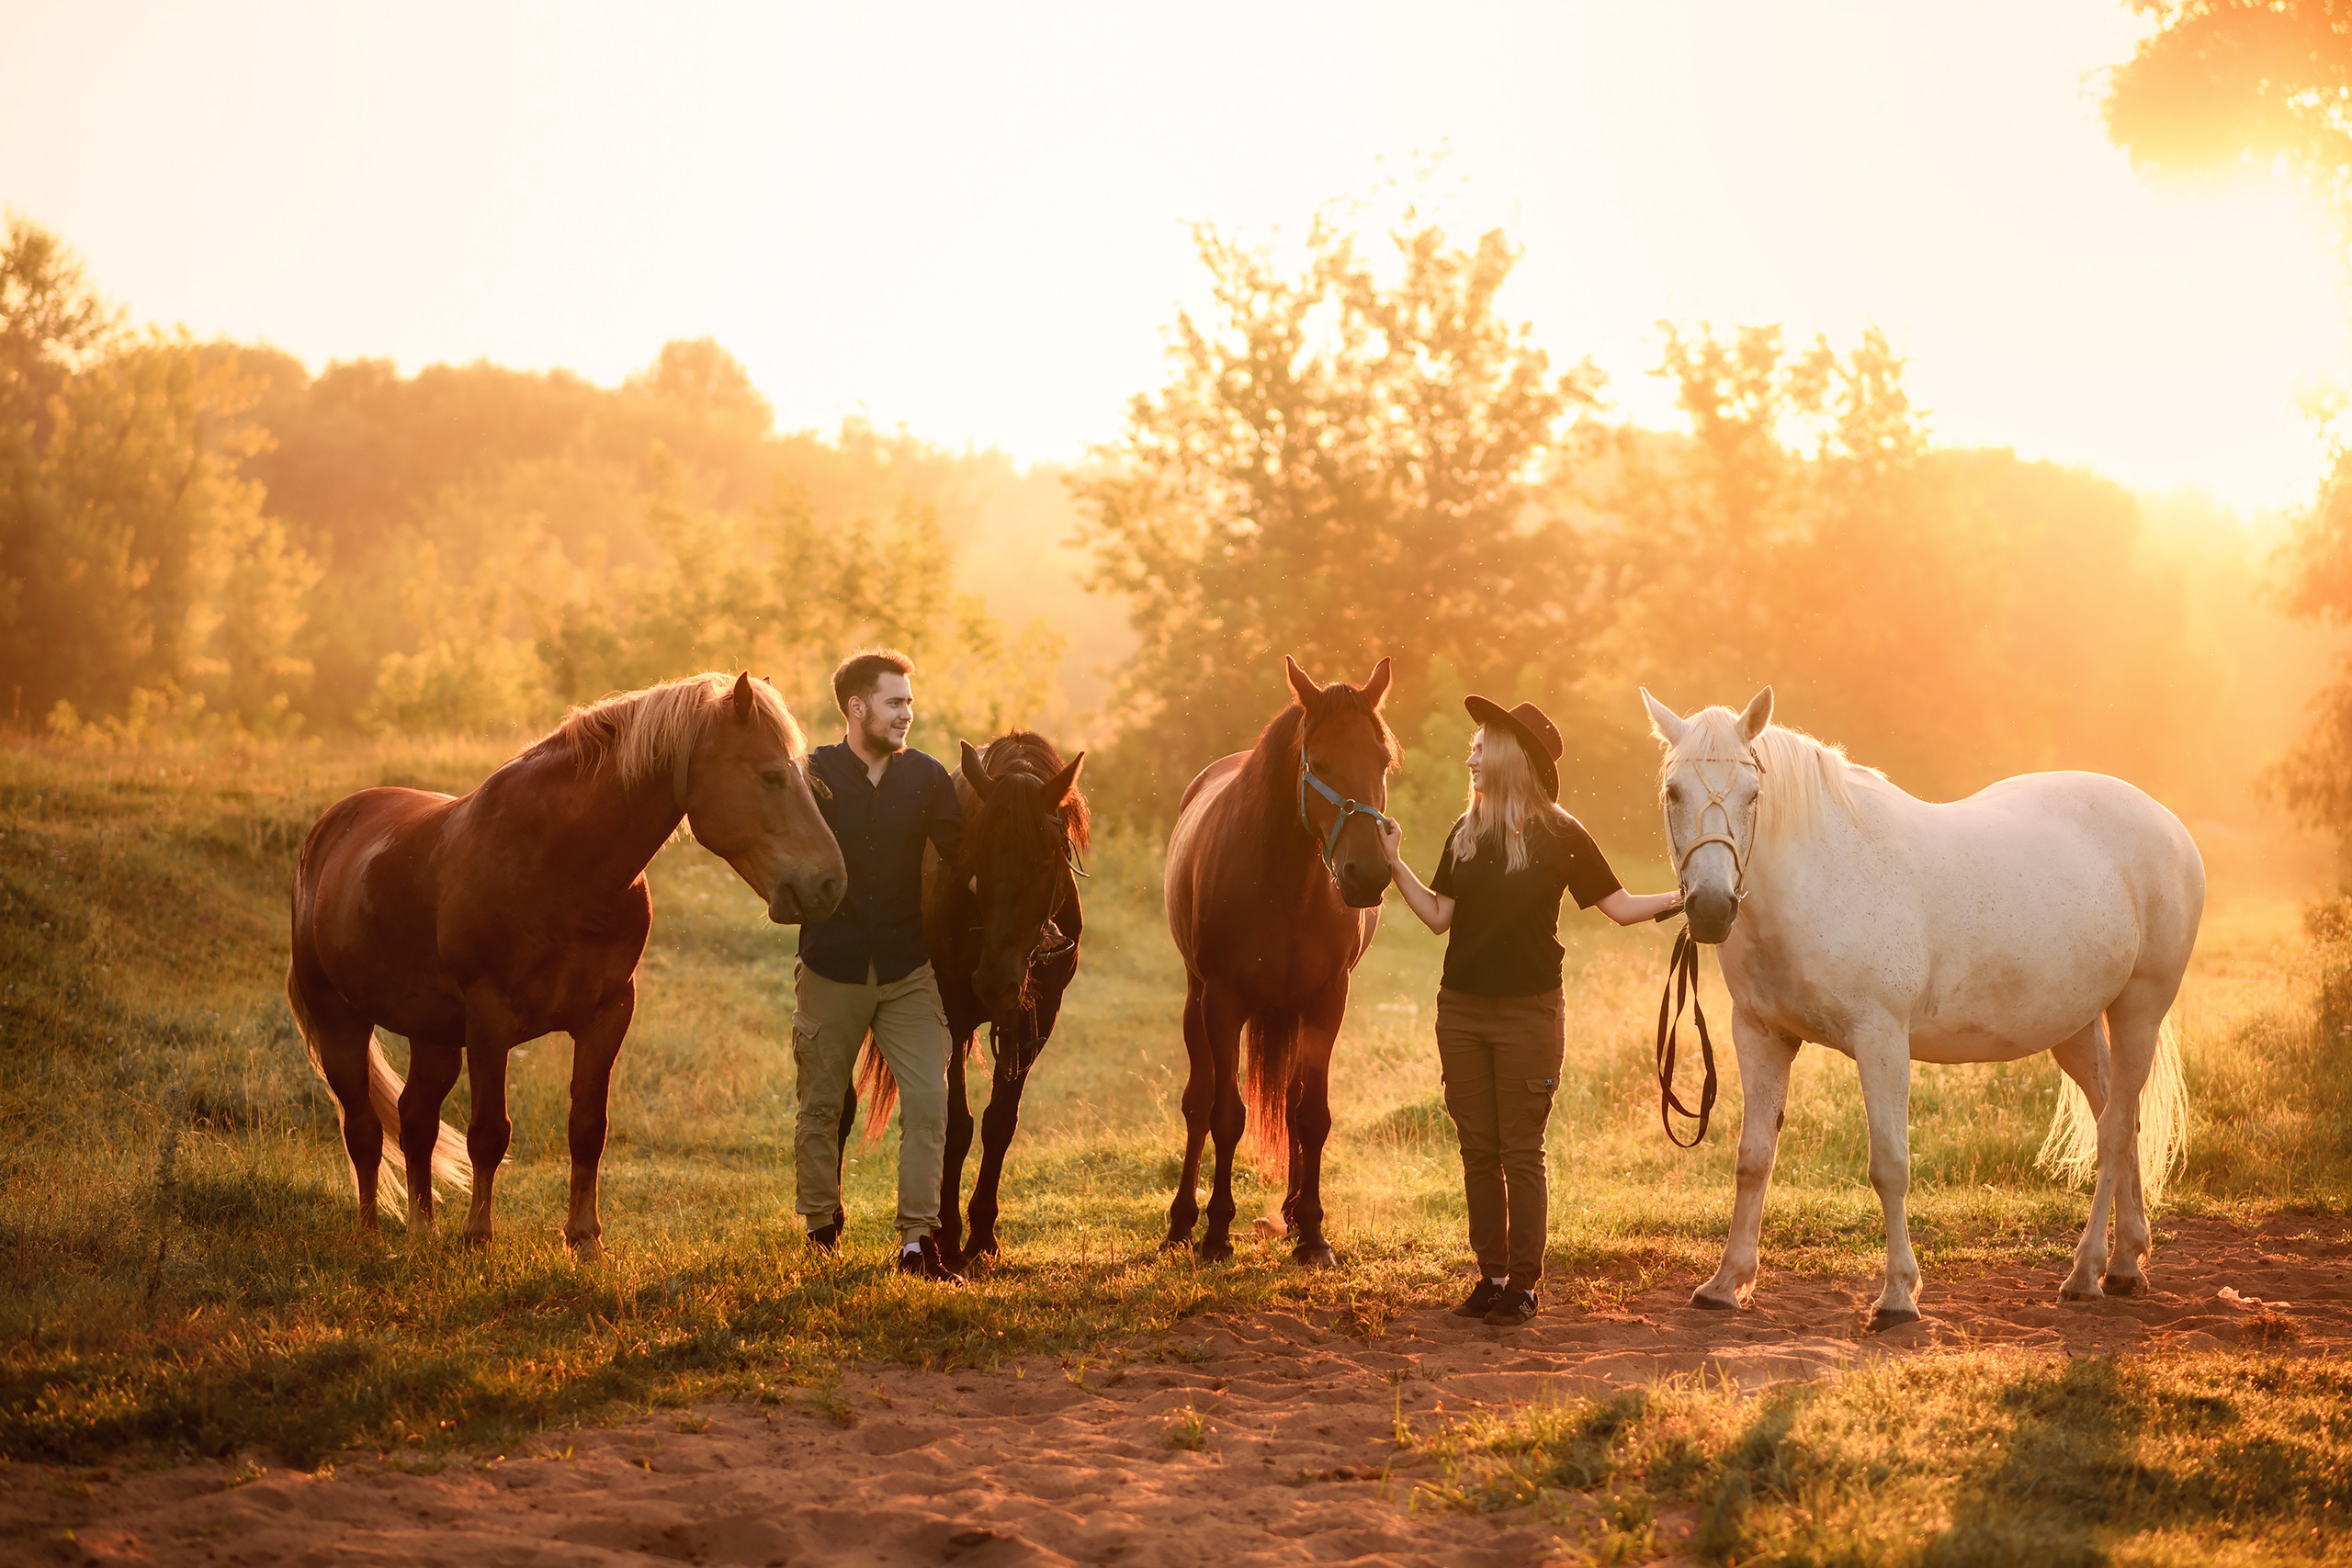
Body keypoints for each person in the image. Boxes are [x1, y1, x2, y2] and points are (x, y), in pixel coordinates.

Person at [1377, 697, 1681, 1327]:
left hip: (1528, 1017)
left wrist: (1689, 895)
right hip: (1459, 1012)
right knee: (1476, 1149)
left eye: (1480, 747)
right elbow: (1439, 917)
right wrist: (1393, 861)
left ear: (1511, 756)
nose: (1470, 757)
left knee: (1521, 1150)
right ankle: (1489, 1276)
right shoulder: (1466, 833)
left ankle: (1523, 1284)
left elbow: (1620, 907)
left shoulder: (1563, 835)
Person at [793, 648, 967, 1280]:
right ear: (857, 707)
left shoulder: (926, 778)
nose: (908, 714)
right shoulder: (811, 775)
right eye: (895, 702)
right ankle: (819, 1226)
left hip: (905, 969)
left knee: (928, 1097)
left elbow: (963, 863)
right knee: (819, 1102)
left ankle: (916, 1240)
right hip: (831, 966)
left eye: (910, 703)